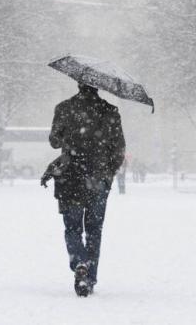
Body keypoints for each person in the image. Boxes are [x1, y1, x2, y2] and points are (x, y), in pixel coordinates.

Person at [45, 83, 125, 297]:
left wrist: (69, 138)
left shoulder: (64, 108)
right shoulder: (110, 112)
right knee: (94, 230)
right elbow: (118, 149)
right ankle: (88, 277)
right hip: (98, 179)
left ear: (78, 84)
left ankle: (80, 262)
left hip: (70, 178)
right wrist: (108, 173)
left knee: (72, 229)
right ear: (98, 86)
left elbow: (53, 141)